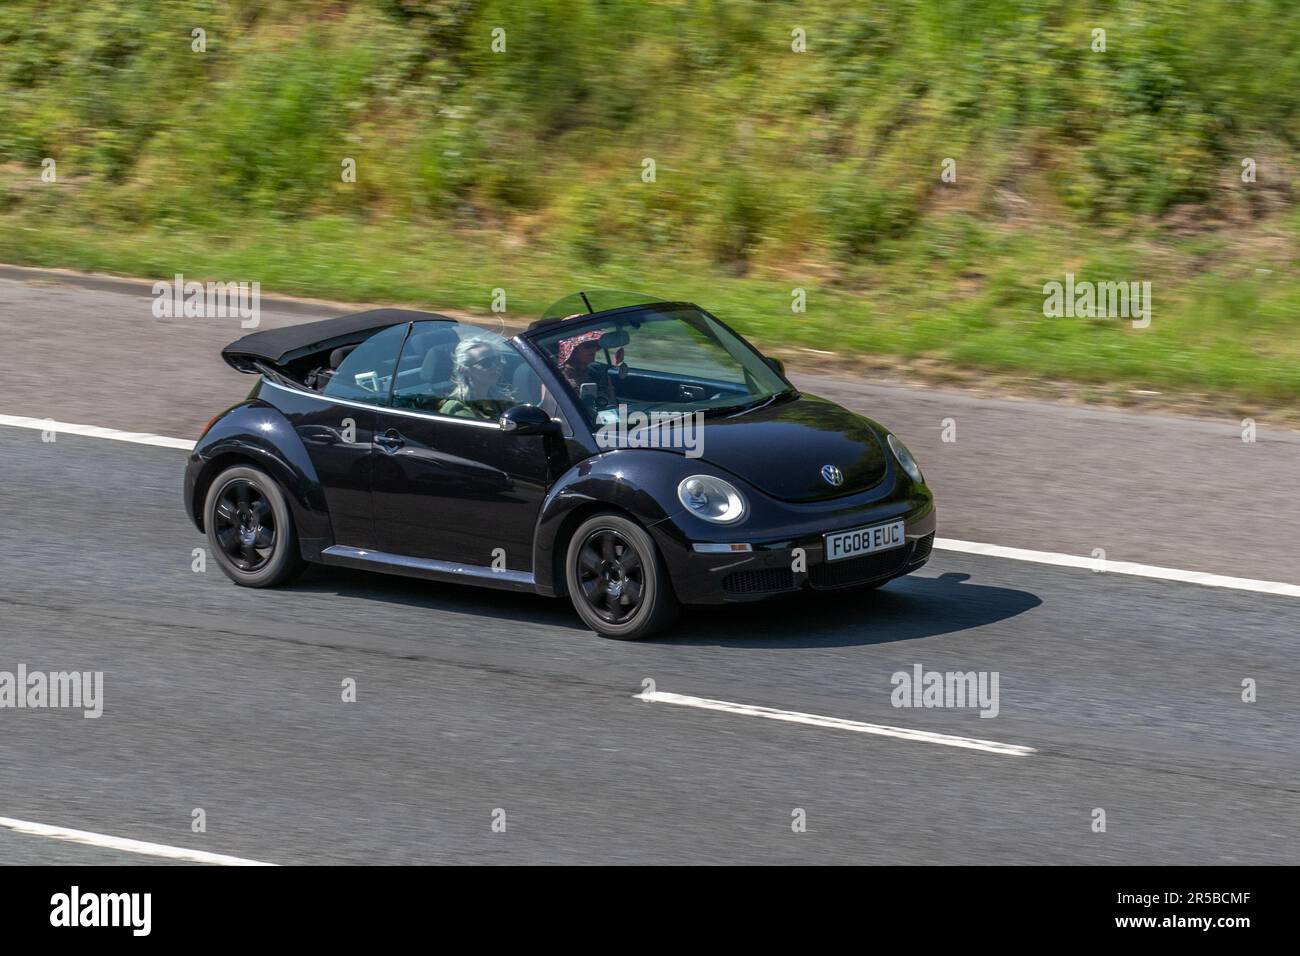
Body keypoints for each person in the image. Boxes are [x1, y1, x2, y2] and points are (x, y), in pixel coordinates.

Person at [438, 335, 515, 420]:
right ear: (464, 371)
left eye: (496, 359)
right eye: (486, 363)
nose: (495, 366)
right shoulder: (457, 411)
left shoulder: (502, 399)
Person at [557, 329, 620, 403]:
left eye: (597, 345)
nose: (594, 349)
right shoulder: (557, 377)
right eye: (588, 345)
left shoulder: (597, 372)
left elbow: (612, 403)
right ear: (571, 349)